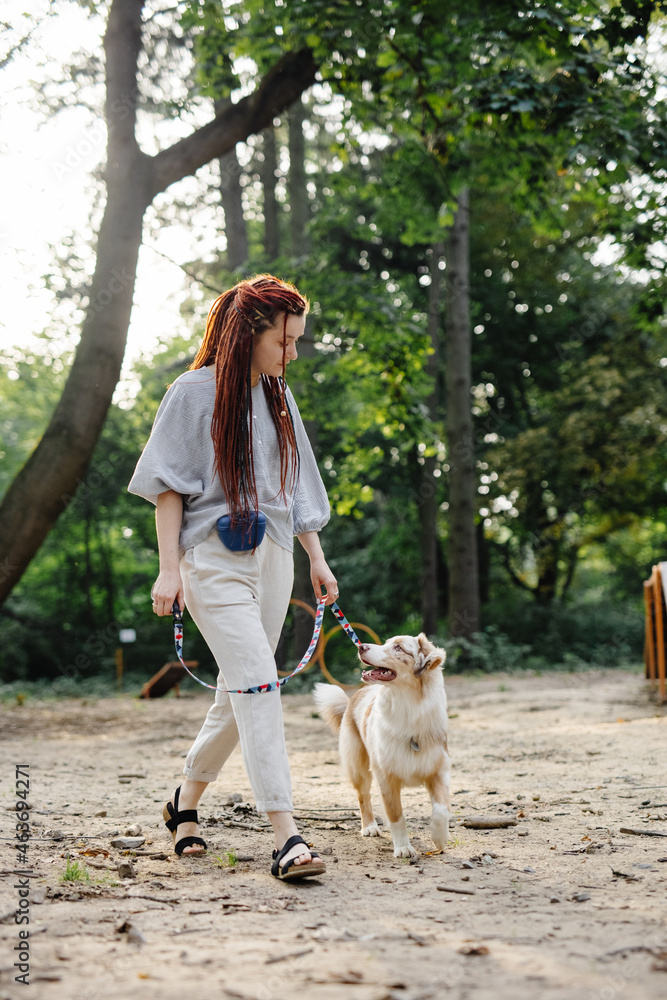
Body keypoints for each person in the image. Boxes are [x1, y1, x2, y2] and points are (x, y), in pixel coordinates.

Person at [128, 274, 337, 880]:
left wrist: (315, 557)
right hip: (209, 560)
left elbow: (297, 485)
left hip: (273, 555)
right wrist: (170, 570)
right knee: (257, 682)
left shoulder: (279, 395)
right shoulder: (192, 394)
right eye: (285, 340)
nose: (291, 353)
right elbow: (167, 486)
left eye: (297, 340)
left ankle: (183, 804)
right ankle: (287, 833)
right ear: (250, 333)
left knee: (240, 689)